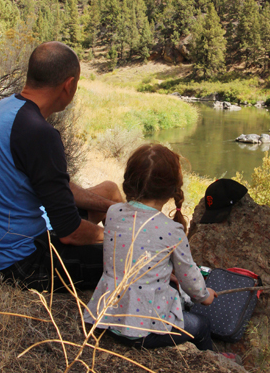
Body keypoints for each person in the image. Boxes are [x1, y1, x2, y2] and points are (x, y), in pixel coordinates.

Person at [0, 41, 122, 291]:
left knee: (110, 190)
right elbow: (70, 232)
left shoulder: (7, 108)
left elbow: (58, 188)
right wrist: (123, 239)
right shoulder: (39, 133)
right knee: (134, 261)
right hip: (16, 263)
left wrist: (113, 208)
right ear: (69, 85)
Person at [84, 143, 217, 351]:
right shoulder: (172, 230)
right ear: (173, 189)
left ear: (129, 180)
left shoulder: (113, 212)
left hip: (104, 316)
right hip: (141, 329)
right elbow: (189, 278)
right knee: (201, 326)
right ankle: (214, 358)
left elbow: (135, 249)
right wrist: (205, 295)